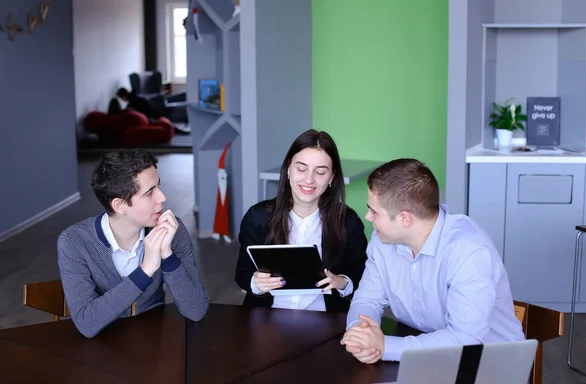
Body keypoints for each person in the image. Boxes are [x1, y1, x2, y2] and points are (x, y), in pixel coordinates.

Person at [341, 158, 524, 363]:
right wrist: (362, 336)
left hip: (489, 362)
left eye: (374, 211)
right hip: (428, 353)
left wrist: (385, 347)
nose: (367, 216)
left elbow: (465, 338)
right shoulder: (382, 240)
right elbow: (367, 300)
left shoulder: (470, 252)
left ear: (405, 219)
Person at [57, 149, 209, 337]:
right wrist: (146, 270)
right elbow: (87, 323)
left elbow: (196, 311)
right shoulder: (74, 242)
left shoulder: (171, 230)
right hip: (103, 349)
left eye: (158, 186)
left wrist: (167, 255)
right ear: (119, 205)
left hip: (155, 341)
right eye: (149, 192)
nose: (162, 197)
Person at [235, 129, 368, 312]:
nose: (309, 179)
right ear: (289, 168)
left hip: (327, 321)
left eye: (320, 172)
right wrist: (256, 283)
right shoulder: (257, 216)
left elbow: (361, 277)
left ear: (332, 177)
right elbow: (242, 274)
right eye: (301, 168)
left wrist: (342, 282)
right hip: (266, 318)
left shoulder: (348, 222)